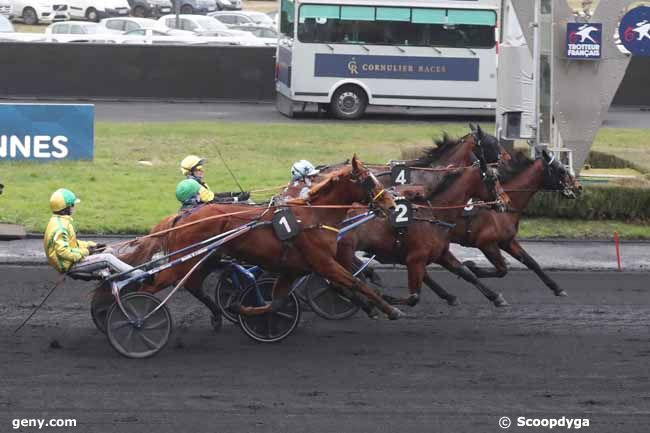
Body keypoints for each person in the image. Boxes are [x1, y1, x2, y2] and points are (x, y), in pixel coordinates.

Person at [44, 188, 144, 278]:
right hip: (69, 265)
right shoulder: (60, 227)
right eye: (73, 205)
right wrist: (87, 251)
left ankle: (106, 277)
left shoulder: (59, 221)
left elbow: (73, 243)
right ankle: (138, 275)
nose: (74, 207)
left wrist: (94, 246)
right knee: (107, 258)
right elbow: (63, 252)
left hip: (70, 261)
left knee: (109, 251)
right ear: (67, 208)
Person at [179, 155, 250, 206]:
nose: (202, 171)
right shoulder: (194, 185)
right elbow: (214, 200)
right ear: (190, 172)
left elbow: (213, 195)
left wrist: (233, 194)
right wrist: (237, 199)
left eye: (202, 168)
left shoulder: (198, 182)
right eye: (199, 168)